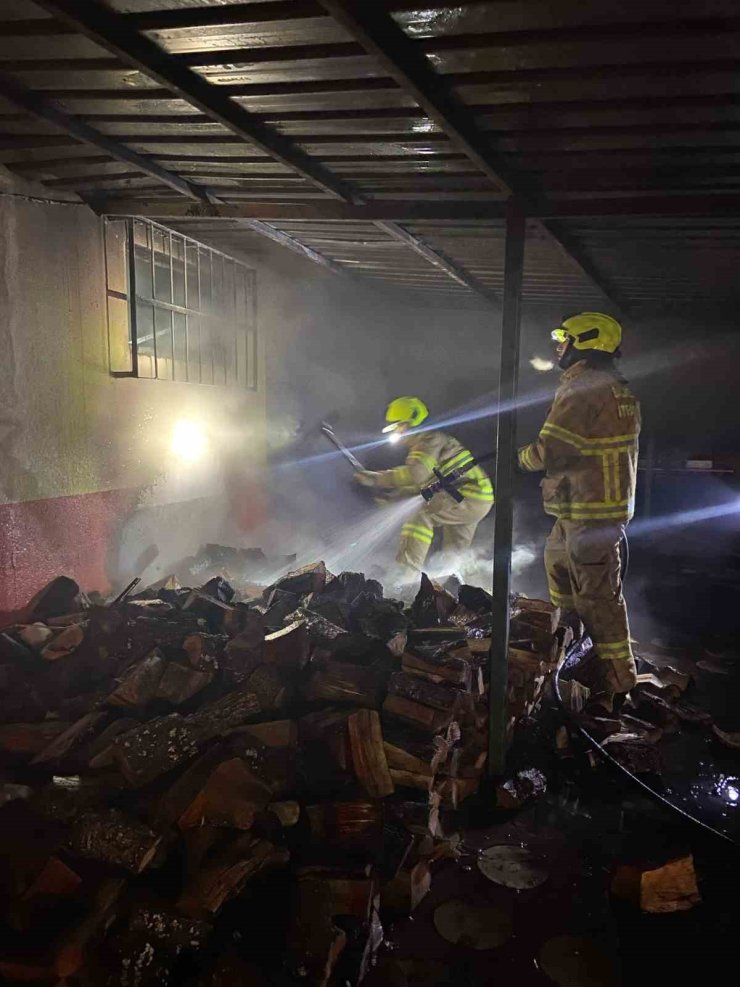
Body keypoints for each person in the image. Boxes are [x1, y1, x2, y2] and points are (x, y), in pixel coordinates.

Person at [518, 313, 641, 710]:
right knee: (560, 574)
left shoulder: (585, 387)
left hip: (591, 513)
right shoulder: (608, 387)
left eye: (565, 339)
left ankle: (617, 685)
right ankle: (574, 656)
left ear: (586, 342)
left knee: (598, 599)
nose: (559, 346)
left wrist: (518, 459)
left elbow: (553, 448)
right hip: (581, 510)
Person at [354, 397, 494, 583]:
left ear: (410, 423)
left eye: (397, 426)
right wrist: (397, 495)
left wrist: (376, 479)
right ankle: (451, 588)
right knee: (454, 553)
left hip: (466, 495)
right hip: (476, 497)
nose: (396, 432)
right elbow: (426, 483)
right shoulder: (434, 441)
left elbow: (416, 473)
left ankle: (404, 575)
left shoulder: (429, 439)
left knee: (420, 516)